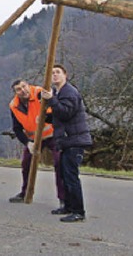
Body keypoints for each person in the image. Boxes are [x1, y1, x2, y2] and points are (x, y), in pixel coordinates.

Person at [41, 64, 92, 223]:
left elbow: (66, 112)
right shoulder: (58, 93)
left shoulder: (69, 92)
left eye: (58, 72)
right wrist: (46, 116)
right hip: (65, 140)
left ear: (65, 75)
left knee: (71, 176)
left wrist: (51, 100)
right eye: (52, 73)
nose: (55, 75)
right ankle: (68, 206)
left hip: (74, 140)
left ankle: (78, 211)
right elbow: (58, 115)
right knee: (64, 175)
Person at [8, 79, 64, 207]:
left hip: (52, 135)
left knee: (59, 162)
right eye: (19, 89)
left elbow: (56, 110)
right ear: (15, 92)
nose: (23, 91)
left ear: (28, 85)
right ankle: (25, 192)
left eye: (24, 86)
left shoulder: (39, 93)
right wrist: (28, 143)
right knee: (26, 163)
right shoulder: (14, 106)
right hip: (34, 139)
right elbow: (17, 128)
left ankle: (63, 198)